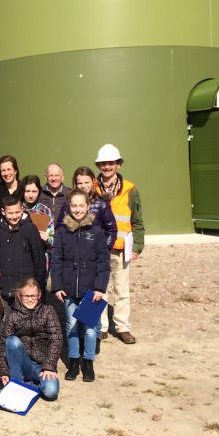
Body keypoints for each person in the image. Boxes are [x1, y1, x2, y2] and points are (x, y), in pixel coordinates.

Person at [51, 189, 111, 382]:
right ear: (69, 207)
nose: (77, 210)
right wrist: (58, 285)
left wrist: (100, 288)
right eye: (74, 206)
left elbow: (103, 263)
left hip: (91, 290)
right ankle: (74, 360)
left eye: (81, 206)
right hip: (69, 289)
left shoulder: (96, 232)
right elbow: (56, 260)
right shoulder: (62, 232)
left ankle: (88, 362)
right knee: (71, 326)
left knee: (91, 328)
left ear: (87, 207)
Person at [94, 144, 145, 345]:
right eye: (103, 163)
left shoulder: (131, 189)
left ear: (118, 164)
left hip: (121, 248)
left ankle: (123, 327)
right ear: (98, 165)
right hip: (97, 248)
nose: (107, 167)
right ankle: (99, 328)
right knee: (97, 288)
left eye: (111, 163)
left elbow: (138, 221)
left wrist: (137, 247)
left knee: (121, 289)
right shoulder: (92, 187)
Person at [0, 194, 47, 339]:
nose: (14, 216)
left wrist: (39, 285)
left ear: (22, 210)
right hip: (5, 286)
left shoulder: (30, 229)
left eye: (17, 212)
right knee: (7, 323)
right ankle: (5, 357)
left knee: (27, 324)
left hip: (25, 287)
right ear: (3, 212)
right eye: (10, 213)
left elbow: (38, 259)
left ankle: (29, 356)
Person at [0, 278, 62, 401]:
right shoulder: (12, 315)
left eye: (33, 295)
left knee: (51, 392)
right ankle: (18, 383)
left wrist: (49, 366)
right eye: (26, 296)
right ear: (19, 296)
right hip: (20, 364)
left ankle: (29, 386)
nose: (30, 299)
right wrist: (3, 371)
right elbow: (3, 344)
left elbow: (56, 339)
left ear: (39, 295)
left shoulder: (48, 311)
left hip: (41, 366)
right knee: (12, 341)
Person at [55, 166, 118, 250]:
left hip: (94, 255)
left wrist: (103, 251)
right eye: (80, 183)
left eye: (86, 182)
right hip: (72, 253)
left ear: (93, 181)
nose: (83, 186)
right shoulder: (67, 203)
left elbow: (111, 230)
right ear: (75, 184)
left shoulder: (101, 204)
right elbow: (60, 227)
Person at [19, 174, 54, 247]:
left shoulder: (45, 210)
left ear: (39, 192)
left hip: (40, 252)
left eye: (34, 191)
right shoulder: (16, 209)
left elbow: (53, 240)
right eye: (27, 191)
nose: (31, 195)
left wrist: (48, 238)